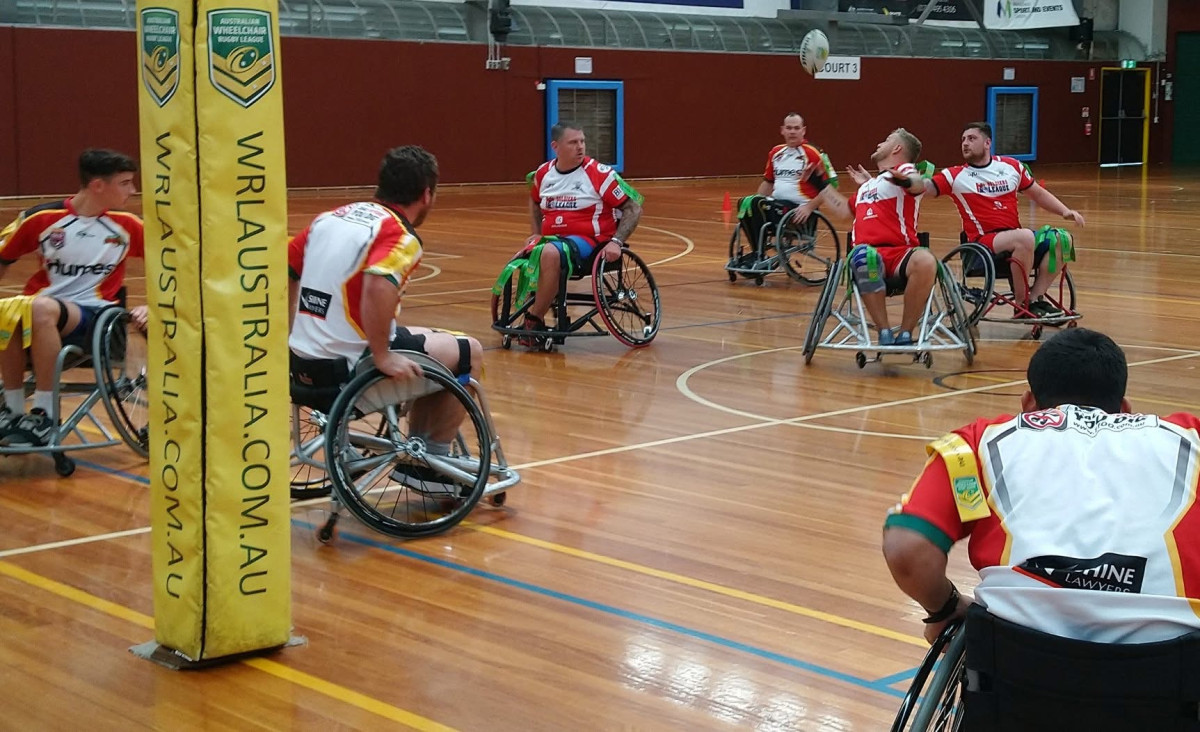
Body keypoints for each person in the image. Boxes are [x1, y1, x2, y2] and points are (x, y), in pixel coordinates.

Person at [883, 328, 1200, 645]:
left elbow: (907, 548)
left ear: (1028, 403)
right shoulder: (1192, 440)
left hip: (1012, 658)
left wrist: (945, 609)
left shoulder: (977, 445)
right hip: (1174, 662)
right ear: (1125, 408)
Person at [287, 145, 483, 456]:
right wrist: (382, 356)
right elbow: (378, 286)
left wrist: (294, 333)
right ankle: (428, 461)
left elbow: (288, 270)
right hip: (349, 373)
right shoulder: (399, 235)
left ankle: (419, 448)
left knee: (432, 337)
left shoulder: (329, 219)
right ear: (427, 194)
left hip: (301, 365)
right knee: (467, 350)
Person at [0, 148, 145, 446]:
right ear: (98, 185)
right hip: (39, 311)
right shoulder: (41, 218)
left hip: (96, 317)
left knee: (39, 309)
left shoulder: (128, 225)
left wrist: (152, 306)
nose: (132, 190)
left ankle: (45, 413)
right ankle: (11, 411)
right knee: (7, 310)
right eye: (125, 183)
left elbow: (173, 263)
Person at [924, 122, 1085, 317]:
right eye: (963, 139)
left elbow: (1038, 193)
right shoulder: (954, 175)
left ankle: (1035, 298)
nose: (965, 143)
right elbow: (927, 188)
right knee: (1025, 237)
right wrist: (908, 179)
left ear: (987, 143)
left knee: (1062, 239)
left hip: (1015, 237)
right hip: (983, 243)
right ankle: (1022, 303)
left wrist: (1065, 211)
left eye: (972, 138)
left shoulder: (1011, 166)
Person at [802, 128, 931, 346]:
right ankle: (884, 331)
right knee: (865, 258)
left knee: (926, 260)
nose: (880, 143)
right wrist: (819, 183)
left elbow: (918, 183)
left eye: (887, 140)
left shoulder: (903, 170)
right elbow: (843, 210)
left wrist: (906, 182)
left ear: (897, 148)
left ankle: (906, 333)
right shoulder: (867, 186)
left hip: (901, 255)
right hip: (868, 254)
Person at [520, 122, 643, 344]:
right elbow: (535, 200)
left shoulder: (599, 174)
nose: (580, 147)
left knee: (550, 253)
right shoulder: (543, 173)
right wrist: (536, 232)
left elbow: (634, 207)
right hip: (553, 240)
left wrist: (616, 241)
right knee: (528, 253)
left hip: (591, 242)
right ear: (555, 147)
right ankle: (535, 309)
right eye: (573, 142)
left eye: (582, 141)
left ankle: (533, 319)